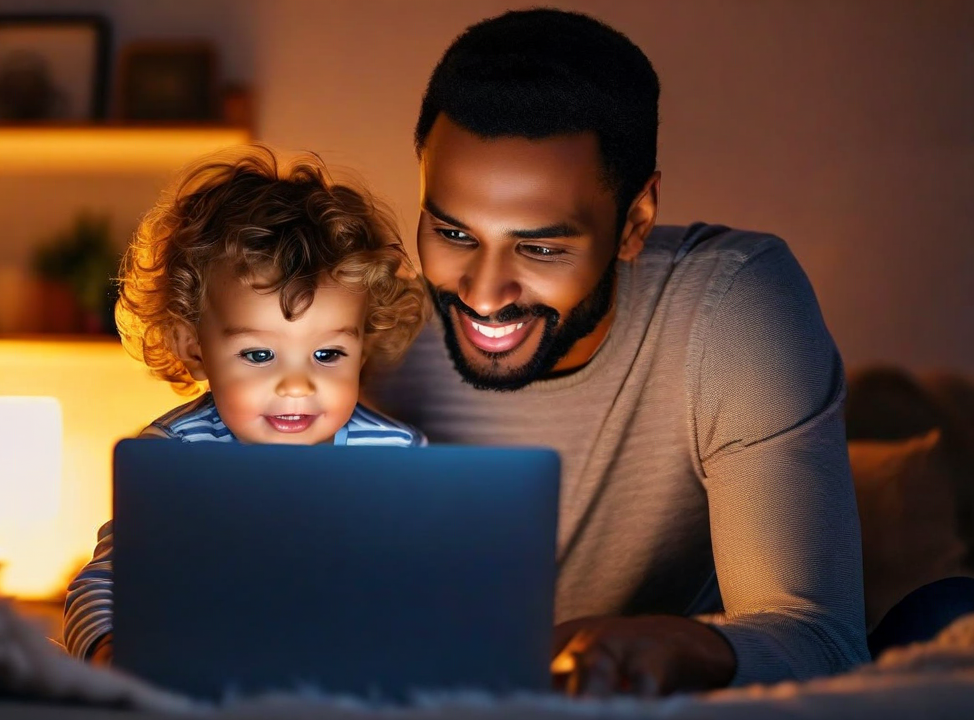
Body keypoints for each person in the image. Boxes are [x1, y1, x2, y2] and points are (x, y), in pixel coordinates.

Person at [368, 8, 870, 696]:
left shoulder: (728, 304)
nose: (483, 295)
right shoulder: (360, 326)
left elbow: (821, 637)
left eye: (541, 247)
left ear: (634, 223)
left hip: (655, 700)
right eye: (453, 233)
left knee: (949, 613)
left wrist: (665, 643)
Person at [63, 146, 430, 663]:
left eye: (328, 353)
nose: (297, 385)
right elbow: (104, 584)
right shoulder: (174, 457)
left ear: (365, 345)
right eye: (259, 353)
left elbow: (431, 586)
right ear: (193, 346)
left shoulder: (399, 453)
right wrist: (107, 650)